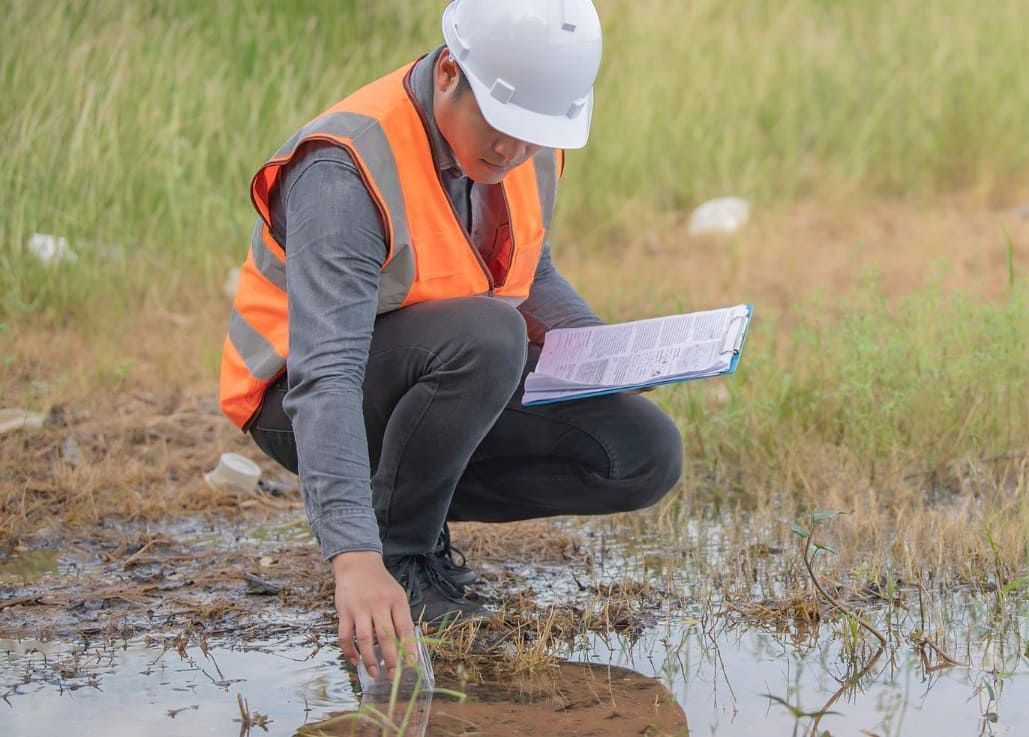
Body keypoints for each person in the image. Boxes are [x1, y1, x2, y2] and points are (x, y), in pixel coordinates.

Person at [217, 0, 682, 680]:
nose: (513, 151)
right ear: (447, 74)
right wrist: (356, 557)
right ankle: (403, 558)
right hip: (297, 397)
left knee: (642, 452)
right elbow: (327, 374)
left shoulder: (529, 139)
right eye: (501, 127)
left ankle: (407, 503)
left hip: (441, 369)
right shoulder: (344, 172)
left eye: (530, 135)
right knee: (488, 337)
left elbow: (531, 270)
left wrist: (609, 355)